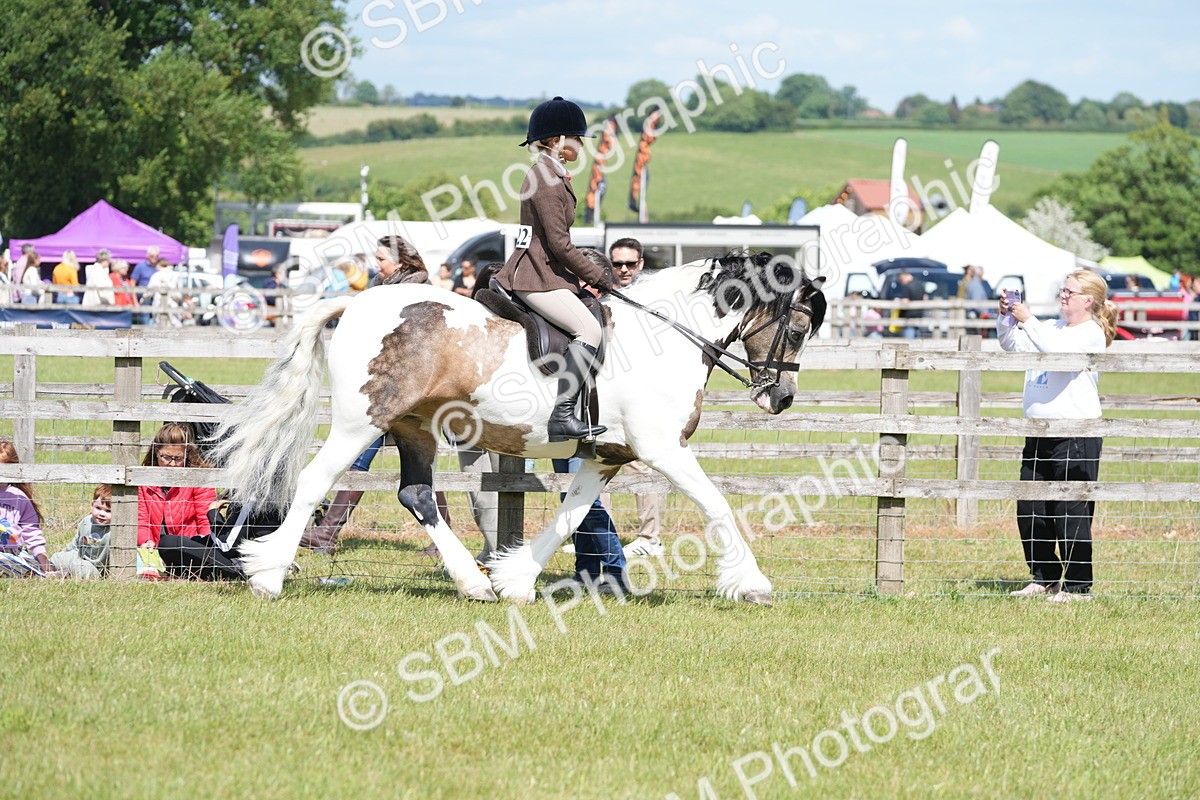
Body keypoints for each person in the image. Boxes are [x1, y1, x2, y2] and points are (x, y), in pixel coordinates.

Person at [493, 95, 611, 442]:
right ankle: (562, 415)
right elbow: (559, 244)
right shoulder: (545, 179)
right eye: (576, 138)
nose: (581, 145)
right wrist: (597, 275)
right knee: (589, 331)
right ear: (557, 140)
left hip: (544, 271)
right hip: (536, 275)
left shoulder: (551, 174)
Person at [1000, 270, 1118, 603]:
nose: (1063, 295)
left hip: (1075, 432)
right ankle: (1045, 576)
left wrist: (1028, 319)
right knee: (1031, 507)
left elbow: (1058, 355)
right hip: (1039, 431)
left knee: (1071, 510)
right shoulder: (1051, 327)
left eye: (1070, 291)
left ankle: (1078, 586)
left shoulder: (1090, 333)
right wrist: (1007, 318)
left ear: (1088, 300)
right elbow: (1012, 345)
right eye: (1063, 290)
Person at [602, 237, 667, 558]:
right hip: (607, 397)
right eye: (618, 264)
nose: (624, 269)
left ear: (641, 263)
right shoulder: (603, 298)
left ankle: (650, 538)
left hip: (643, 397)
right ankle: (601, 537)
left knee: (643, 467)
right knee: (597, 468)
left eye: (630, 263)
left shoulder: (653, 300)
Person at [137, 423, 217, 579]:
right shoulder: (143, 479)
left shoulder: (199, 477)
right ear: (156, 452)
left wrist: (204, 549)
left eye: (178, 458)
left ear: (187, 454)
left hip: (188, 546)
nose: (173, 464)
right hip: (153, 549)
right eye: (166, 457)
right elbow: (141, 519)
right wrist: (145, 540)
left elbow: (205, 520)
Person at [0, 441, 50, 577]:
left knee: (29, 560)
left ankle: (34, 571)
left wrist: (43, 561)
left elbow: (31, 531)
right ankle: (26, 572)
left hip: (15, 551)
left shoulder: (18, 496)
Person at [50, 485, 112, 580]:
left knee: (81, 568)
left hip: (96, 568)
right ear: (92, 505)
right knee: (57, 558)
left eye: (108, 511)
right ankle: (43, 569)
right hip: (80, 557)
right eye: (98, 508)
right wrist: (65, 554)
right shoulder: (86, 521)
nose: (102, 514)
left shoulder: (113, 530)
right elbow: (75, 543)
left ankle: (64, 573)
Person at [895, 270, 926, 339]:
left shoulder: (906, 286)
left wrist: (898, 301)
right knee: (918, 340)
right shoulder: (921, 285)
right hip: (919, 316)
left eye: (901, 280)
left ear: (903, 277)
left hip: (909, 317)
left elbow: (905, 301)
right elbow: (925, 298)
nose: (901, 282)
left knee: (908, 341)